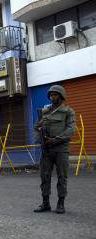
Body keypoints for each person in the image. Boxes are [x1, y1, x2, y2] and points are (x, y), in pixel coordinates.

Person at [34, 85, 75, 214]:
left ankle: (60, 203)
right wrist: (39, 138)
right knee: (44, 177)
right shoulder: (44, 112)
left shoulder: (68, 111)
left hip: (61, 148)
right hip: (46, 149)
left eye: (55, 95)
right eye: (51, 95)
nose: (53, 97)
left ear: (61, 96)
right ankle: (45, 203)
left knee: (62, 176)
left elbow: (71, 129)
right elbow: (36, 126)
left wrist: (56, 139)